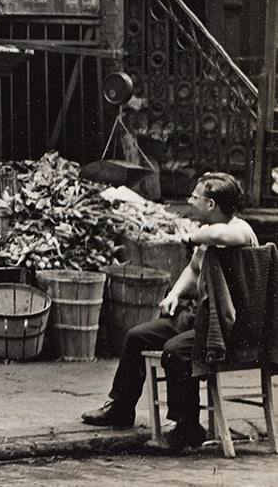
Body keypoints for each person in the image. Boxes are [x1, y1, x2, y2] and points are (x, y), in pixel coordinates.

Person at [81, 171, 258, 451]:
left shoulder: (240, 229)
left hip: (228, 329)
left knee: (176, 351)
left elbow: (223, 234)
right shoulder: (208, 233)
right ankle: (121, 408)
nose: (190, 201)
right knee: (138, 336)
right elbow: (193, 269)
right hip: (204, 321)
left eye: (195, 197)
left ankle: (188, 428)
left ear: (211, 205)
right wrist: (174, 295)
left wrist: (192, 236)